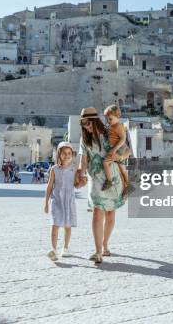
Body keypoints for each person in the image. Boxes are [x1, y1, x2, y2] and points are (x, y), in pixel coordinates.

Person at [78, 107, 129, 264]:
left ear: (94, 120)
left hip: (112, 177)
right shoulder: (84, 139)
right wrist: (81, 173)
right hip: (96, 179)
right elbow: (84, 159)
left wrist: (117, 156)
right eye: (83, 123)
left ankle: (105, 244)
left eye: (87, 122)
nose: (85, 126)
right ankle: (98, 251)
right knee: (97, 212)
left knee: (110, 214)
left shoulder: (109, 132)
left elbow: (127, 151)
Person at [43, 142, 84, 261]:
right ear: (59, 155)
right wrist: (46, 203)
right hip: (56, 201)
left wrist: (82, 181)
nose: (67, 155)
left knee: (67, 225)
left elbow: (77, 184)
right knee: (55, 224)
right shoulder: (54, 169)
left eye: (69, 153)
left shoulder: (74, 169)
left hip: (69, 201)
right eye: (64, 153)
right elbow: (49, 186)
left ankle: (65, 248)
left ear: (72, 155)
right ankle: (53, 250)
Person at [102, 105, 131, 191]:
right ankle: (127, 185)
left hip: (118, 149)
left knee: (105, 163)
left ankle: (109, 181)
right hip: (118, 149)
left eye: (110, 119)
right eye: (107, 119)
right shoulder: (113, 126)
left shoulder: (118, 126)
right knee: (122, 169)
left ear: (117, 116)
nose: (108, 121)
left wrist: (114, 150)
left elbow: (123, 139)